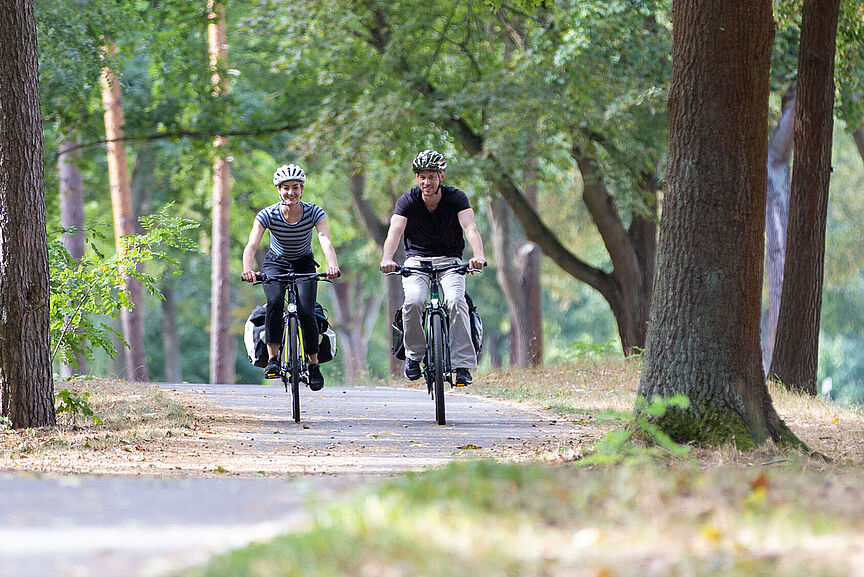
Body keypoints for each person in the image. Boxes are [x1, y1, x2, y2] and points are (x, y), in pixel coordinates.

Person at [380, 150, 487, 385]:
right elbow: (395, 231)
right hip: (417, 263)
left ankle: (462, 366)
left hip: (450, 263)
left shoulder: (456, 198)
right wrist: (387, 258)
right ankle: (413, 356)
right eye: (422, 177)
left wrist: (478, 256)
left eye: (431, 176)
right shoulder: (407, 200)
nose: (426, 182)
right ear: (417, 178)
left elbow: (470, 229)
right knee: (414, 301)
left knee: (456, 302)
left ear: (441, 176)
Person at [241, 163, 340, 389]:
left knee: (306, 311)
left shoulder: (314, 212)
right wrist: (248, 269)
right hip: (275, 263)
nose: (291, 192)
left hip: (304, 262)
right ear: (278, 190)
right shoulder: (267, 214)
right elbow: (252, 243)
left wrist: (332, 266)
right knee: (275, 302)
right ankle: (273, 359)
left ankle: (313, 365)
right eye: (285, 188)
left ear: (302, 189)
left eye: (295, 187)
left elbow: (325, 239)